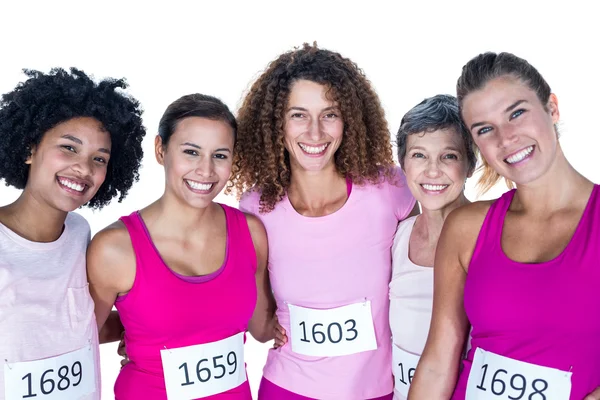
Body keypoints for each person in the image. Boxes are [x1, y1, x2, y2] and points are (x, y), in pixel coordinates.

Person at [231, 43, 418, 400]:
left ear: (349, 119)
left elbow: (421, 282)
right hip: (287, 388)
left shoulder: (390, 188)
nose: (315, 133)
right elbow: (258, 326)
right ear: (275, 123)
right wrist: (269, 325)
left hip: (377, 391)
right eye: (298, 115)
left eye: (329, 114)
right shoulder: (255, 207)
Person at [408, 52, 600, 400]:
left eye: (517, 113)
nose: (506, 137)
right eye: (485, 129)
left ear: (552, 108)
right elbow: (438, 361)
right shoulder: (466, 227)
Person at [87, 93, 277, 399]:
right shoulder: (115, 248)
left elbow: (262, 329)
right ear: (161, 150)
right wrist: (135, 330)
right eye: (191, 152)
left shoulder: (251, 232)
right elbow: (79, 336)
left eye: (220, 155)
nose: (206, 170)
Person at [0, 67, 146, 400]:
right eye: (68, 148)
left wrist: (142, 329)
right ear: (29, 148)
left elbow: (75, 326)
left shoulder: (80, 233)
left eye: (99, 158)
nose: (84, 168)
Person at [389, 94, 475, 400]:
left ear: (470, 164)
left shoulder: (489, 236)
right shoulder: (398, 236)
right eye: (419, 155)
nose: (433, 171)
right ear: (403, 164)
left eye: (449, 156)